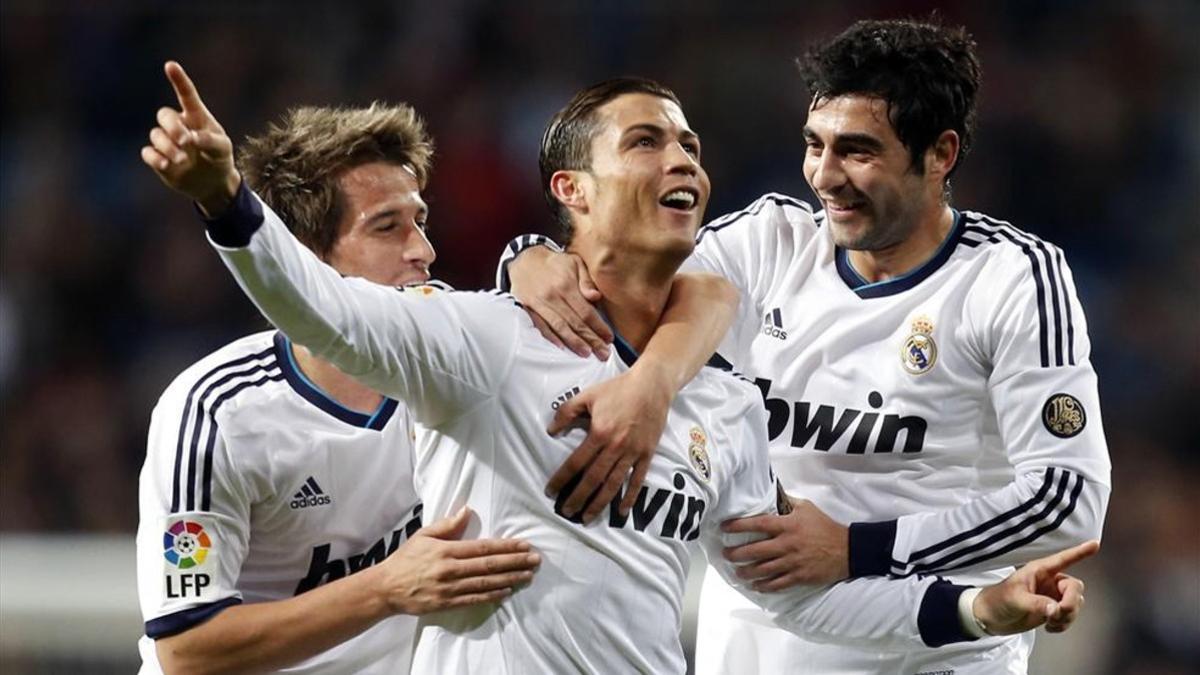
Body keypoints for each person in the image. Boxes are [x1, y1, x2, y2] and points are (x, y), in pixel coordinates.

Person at [144, 63, 1095, 674]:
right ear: (573, 191)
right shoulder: (483, 341)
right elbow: (325, 309)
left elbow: (795, 591)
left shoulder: (722, 402)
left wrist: (979, 606)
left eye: (688, 140)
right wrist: (225, 198)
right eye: (645, 139)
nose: (681, 154)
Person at [501, 18, 1111, 675]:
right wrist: (528, 257)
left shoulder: (1012, 277)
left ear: (940, 154)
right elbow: (612, 279)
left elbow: (1068, 499)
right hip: (761, 641)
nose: (824, 174)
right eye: (813, 144)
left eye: (858, 151)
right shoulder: (766, 244)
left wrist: (857, 548)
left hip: (941, 647)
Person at [135, 64, 542, 674]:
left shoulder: (463, 377)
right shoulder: (218, 410)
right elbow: (186, 649)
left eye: (420, 222)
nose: (423, 252)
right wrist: (384, 587)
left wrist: (538, 256)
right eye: (386, 228)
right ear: (303, 259)